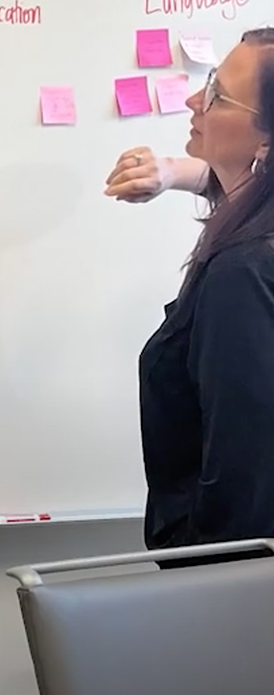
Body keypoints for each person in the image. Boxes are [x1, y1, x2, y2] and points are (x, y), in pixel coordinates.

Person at [138, 29, 274, 557]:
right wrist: (174, 173)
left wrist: (206, 588)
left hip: (231, 589)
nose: (195, 100)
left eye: (217, 94)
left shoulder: (244, 273)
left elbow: (245, 478)